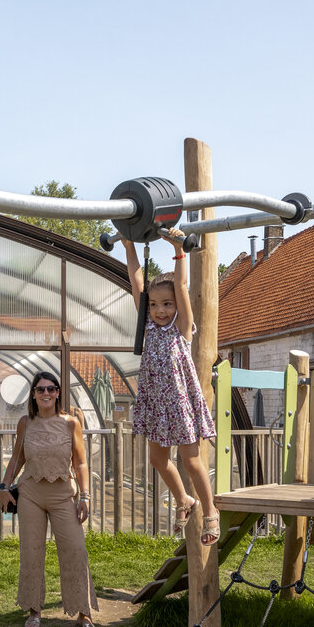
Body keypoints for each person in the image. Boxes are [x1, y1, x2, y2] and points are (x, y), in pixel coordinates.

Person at [121, 230, 219, 544]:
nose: (160, 310)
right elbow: (136, 281)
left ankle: (210, 511)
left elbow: (182, 286)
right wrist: (129, 246)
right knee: (157, 460)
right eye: (154, 305)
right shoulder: (148, 326)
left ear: (176, 305)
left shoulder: (182, 328)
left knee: (191, 461)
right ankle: (183, 500)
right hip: (156, 404)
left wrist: (179, 251)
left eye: (166, 304)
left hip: (179, 404)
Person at [0, 370, 99, 627]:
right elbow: (17, 458)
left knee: (75, 550)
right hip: (30, 494)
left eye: (51, 389)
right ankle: (34, 610)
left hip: (63, 494)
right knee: (31, 552)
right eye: (40, 389)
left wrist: (85, 496)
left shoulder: (71, 423)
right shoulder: (25, 423)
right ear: (33, 394)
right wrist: (4, 487)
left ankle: (84, 612)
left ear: (58, 393)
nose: (46, 394)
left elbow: (81, 462)